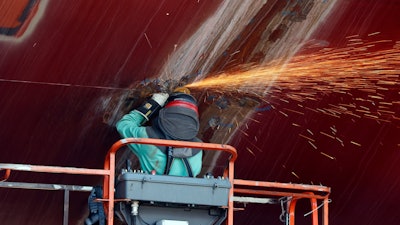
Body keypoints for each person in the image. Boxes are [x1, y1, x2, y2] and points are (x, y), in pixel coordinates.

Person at [116, 87, 203, 177]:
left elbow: (123, 125)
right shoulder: (198, 148)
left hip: (149, 189)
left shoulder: (148, 138)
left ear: (164, 114)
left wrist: (152, 105)